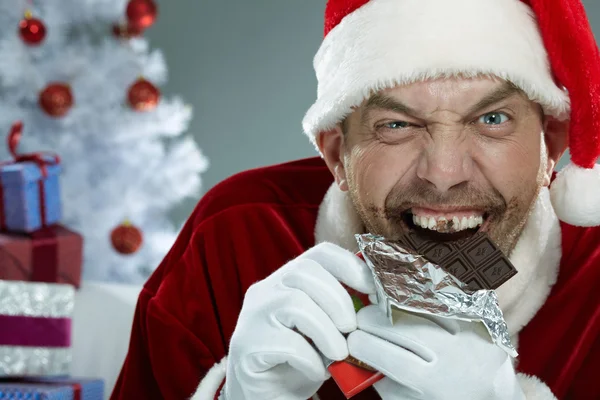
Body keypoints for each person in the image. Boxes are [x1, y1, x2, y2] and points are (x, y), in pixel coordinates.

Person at [111, 0, 600, 399]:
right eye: (396, 125)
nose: (445, 175)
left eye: (493, 119)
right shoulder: (236, 232)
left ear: (551, 144)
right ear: (337, 154)